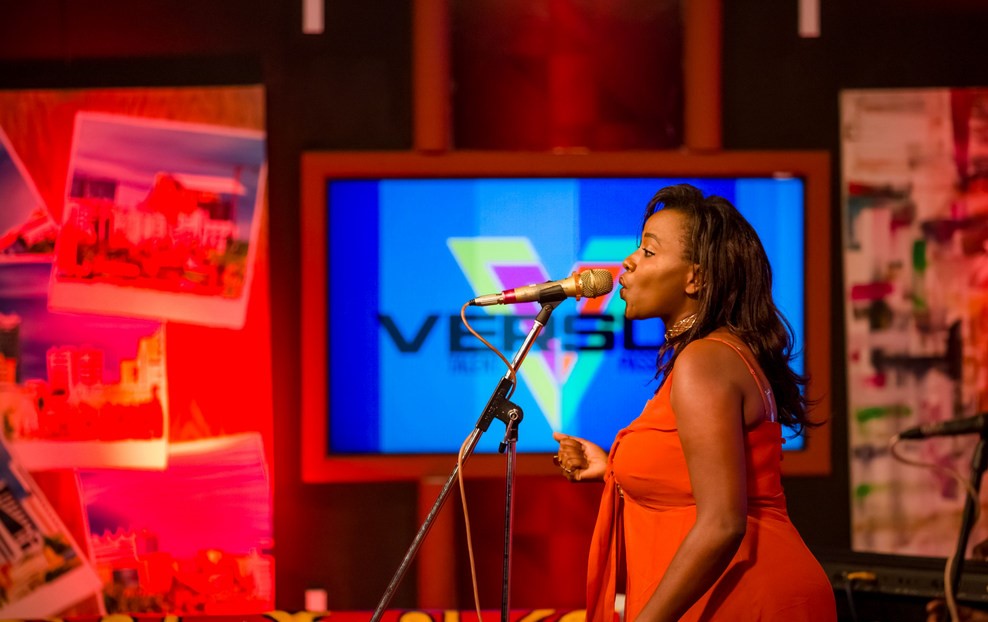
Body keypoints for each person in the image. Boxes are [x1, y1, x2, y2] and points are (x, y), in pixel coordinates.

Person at [552, 184, 837, 621]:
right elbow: (694, 478)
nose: (627, 262)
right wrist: (612, 468)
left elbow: (723, 522)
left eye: (648, 252)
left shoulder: (704, 360)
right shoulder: (715, 354)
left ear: (696, 277)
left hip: (749, 596)